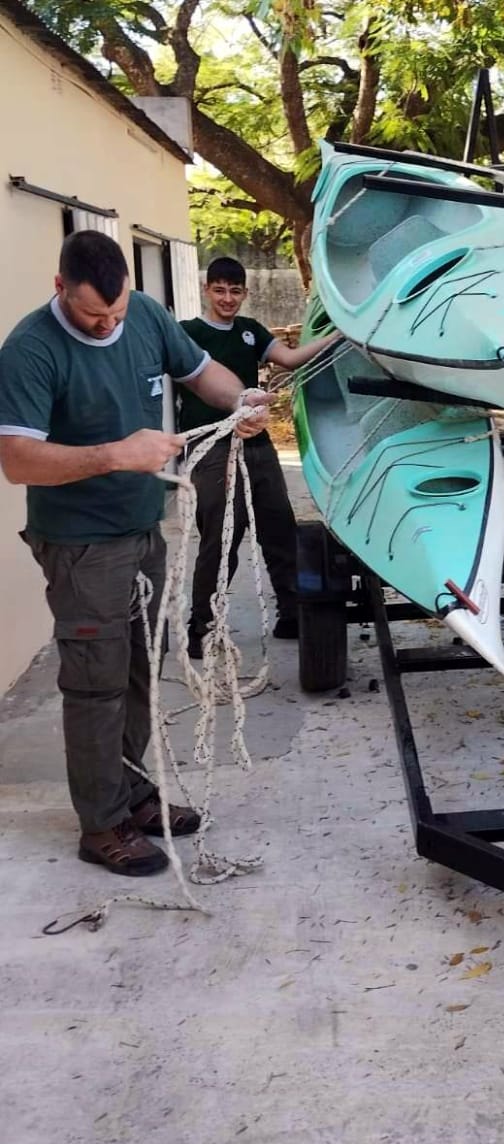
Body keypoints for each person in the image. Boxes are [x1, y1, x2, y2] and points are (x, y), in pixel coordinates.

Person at [0, 231, 272, 877]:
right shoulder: (30, 350)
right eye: (96, 315)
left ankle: (132, 794)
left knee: (138, 670)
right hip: (81, 545)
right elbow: (14, 459)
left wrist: (240, 401)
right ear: (59, 286)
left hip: (143, 529)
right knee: (94, 683)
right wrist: (118, 453)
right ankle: (101, 824)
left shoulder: (145, 313)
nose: (109, 324)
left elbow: (201, 372)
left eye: (116, 312)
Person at [177, 256, 337, 659]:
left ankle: (291, 613)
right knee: (222, 536)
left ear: (244, 293)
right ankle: (202, 626)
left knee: (279, 528)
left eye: (235, 291)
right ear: (206, 290)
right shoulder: (187, 335)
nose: (227, 298)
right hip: (212, 447)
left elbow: (291, 359)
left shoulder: (250, 332)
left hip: (257, 444)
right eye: (219, 290)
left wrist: (338, 337)